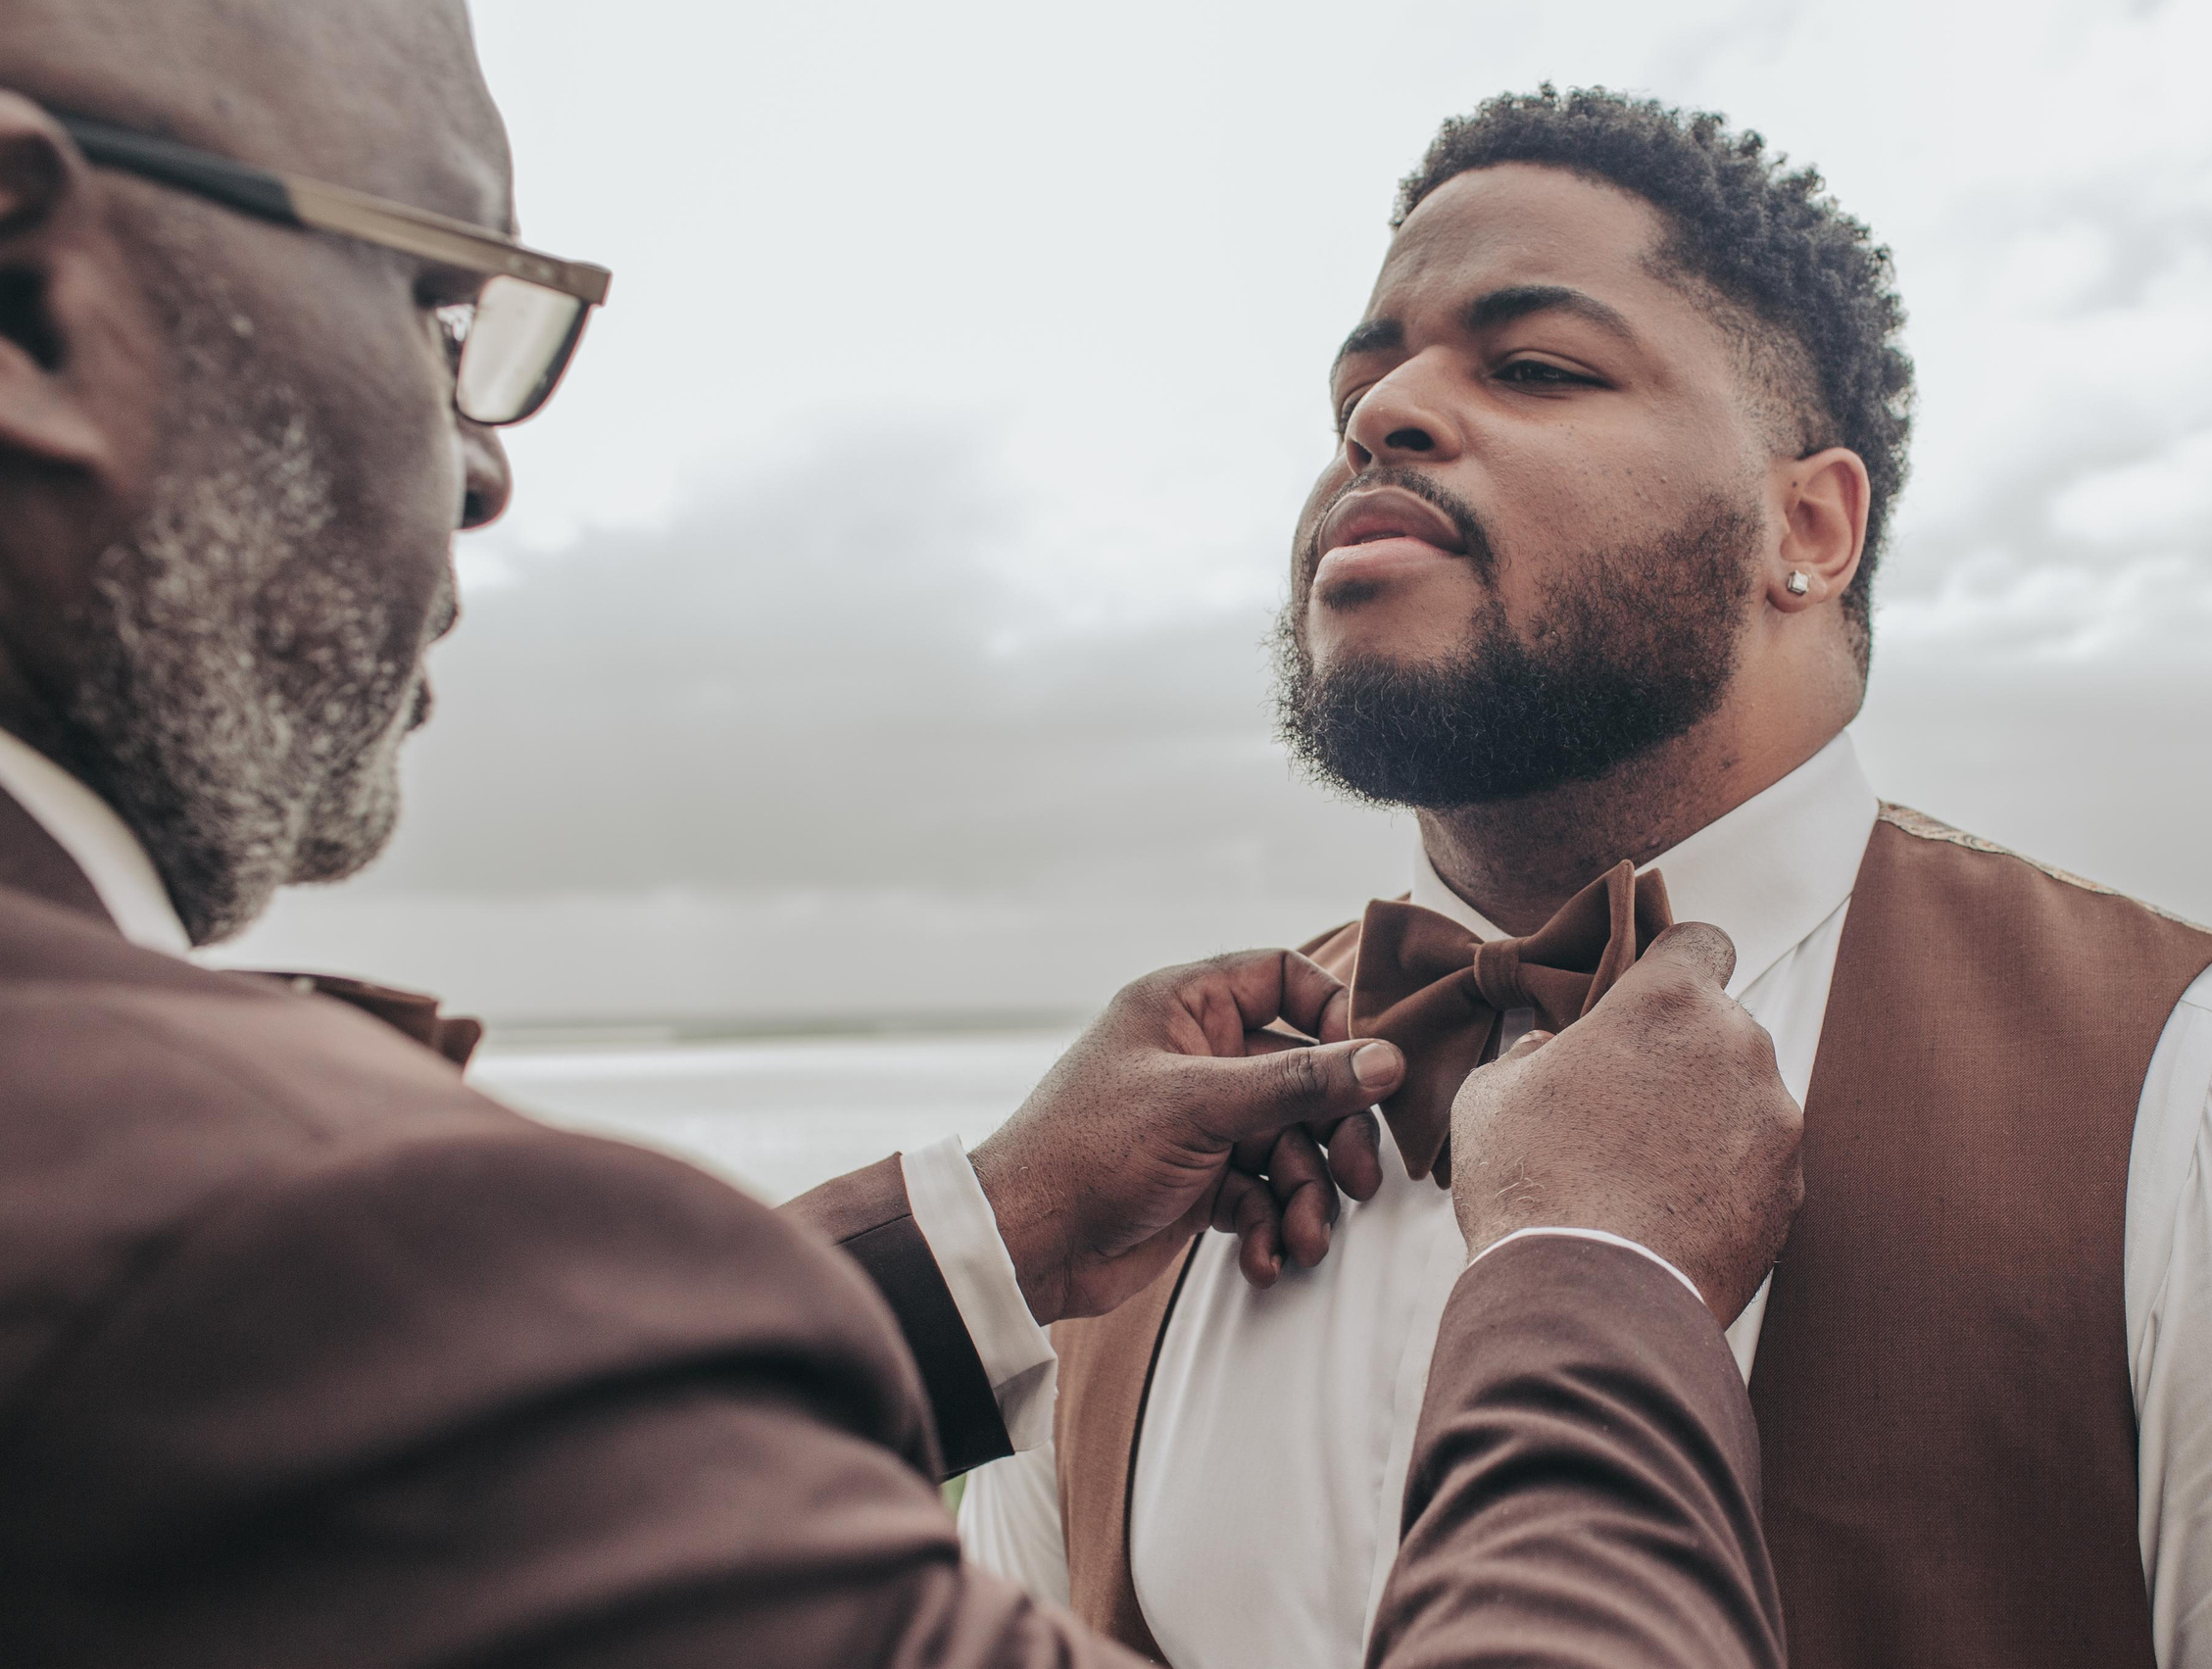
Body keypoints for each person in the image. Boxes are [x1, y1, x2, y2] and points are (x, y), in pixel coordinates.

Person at [0, 15, 1809, 1668]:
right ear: (26, 299)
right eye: (439, 303)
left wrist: (989, 1229)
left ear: (1814, 523)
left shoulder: (2099, 1063)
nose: (481, 462)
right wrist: (1604, 1282)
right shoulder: (256, 1236)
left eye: (1547, 367)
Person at [962, 86, 2212, 1669]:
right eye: (1358, 390)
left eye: (1537, 367)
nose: (1384, 414)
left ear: (1811, 526)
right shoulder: (1138, 1194)